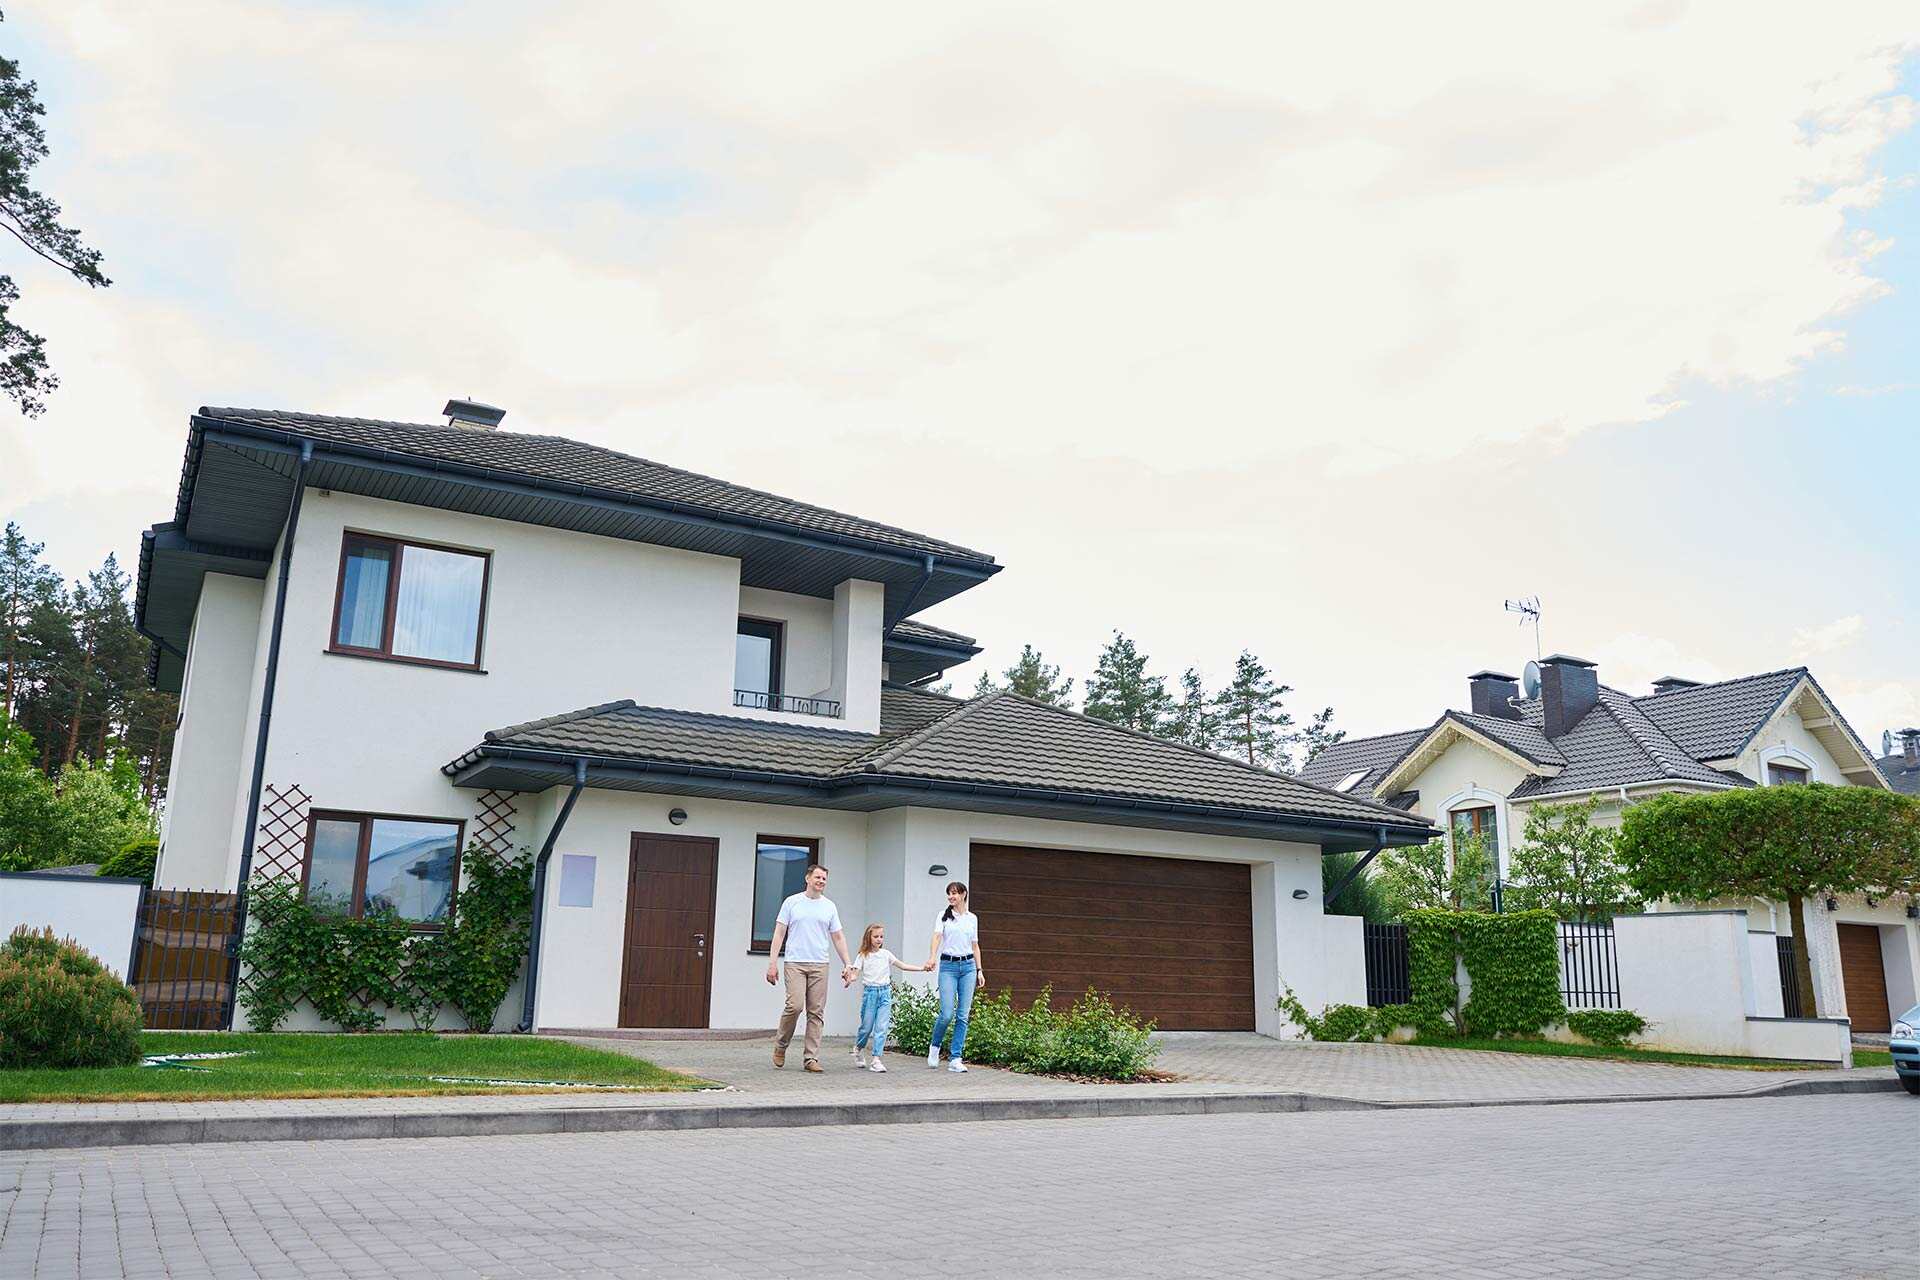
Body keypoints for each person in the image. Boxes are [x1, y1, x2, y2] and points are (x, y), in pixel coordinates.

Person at [764, 863, 854, 1072]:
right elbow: (779, 933)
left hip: (820, 964)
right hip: (795, 962)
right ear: (808, 878)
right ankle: (781, 1045)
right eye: (818, 877)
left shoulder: (829, 906)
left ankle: (810, 1058)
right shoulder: (792, 902)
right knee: (794, 1006)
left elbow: (838, 937)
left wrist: (848, 964)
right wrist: (772, 963)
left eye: (824, 879)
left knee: (816, 1012)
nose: (821, 881)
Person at [848, 923, 929, 1072]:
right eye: (876, 936)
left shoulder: (886, 954)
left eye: (881, 936)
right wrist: (850, 979)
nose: (879, 939)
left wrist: (921, 968)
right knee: (866, 1027)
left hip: (885, 993)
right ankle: (858, 1048)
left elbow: (902, 965)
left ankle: (876, 1060)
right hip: (870, 994)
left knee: (882, 1027)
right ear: (868, 938)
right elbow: (855, 973)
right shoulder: (863, 956)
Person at [924, 880, 984, 1073]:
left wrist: (979, 970)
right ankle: (935, 1047)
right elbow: (936, 937)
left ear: (963, 894)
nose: (951, 896)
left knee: (963, 1015)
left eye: (954, 893)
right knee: (947, 1013)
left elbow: (975, 945)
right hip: (948, 967)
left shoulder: (972, 918)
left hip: (968, 967)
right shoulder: (943, 916)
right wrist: (932, 957)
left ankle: (955, 1058)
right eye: (949, 893)